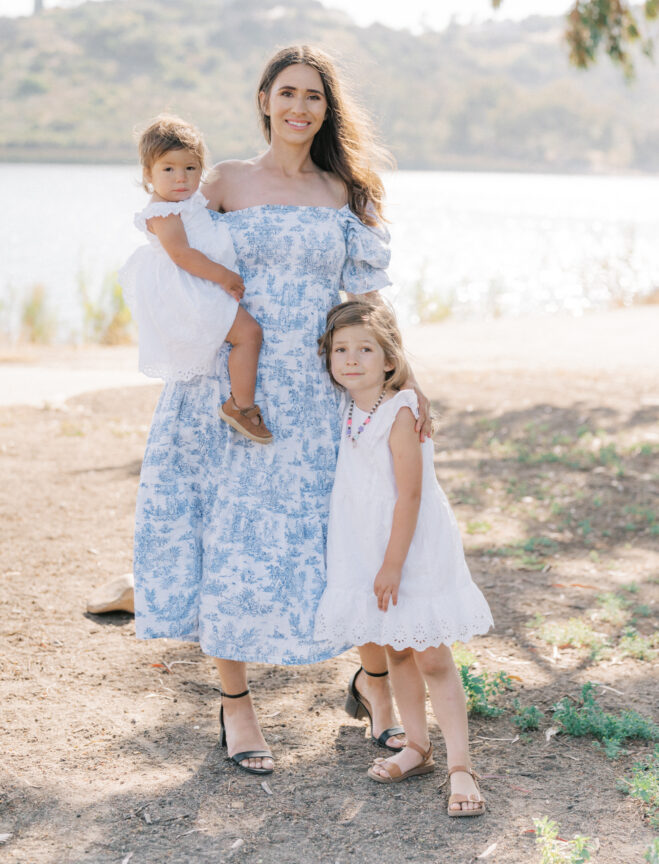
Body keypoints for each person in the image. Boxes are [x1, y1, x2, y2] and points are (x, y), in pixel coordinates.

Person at [132, 45, 432, 776]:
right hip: (230, 389)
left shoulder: (343, 191)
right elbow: (168, 249)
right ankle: (236, 704)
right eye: (287, 92)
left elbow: (366, 301)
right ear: (263, 98)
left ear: (327, 110)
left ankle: (375, 685)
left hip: (320, 391)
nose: (300, 107)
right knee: (229, 540)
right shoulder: (224, 180)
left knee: (342, 538)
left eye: (315, 97)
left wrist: (406, 382)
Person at [314, 299, 494, 815]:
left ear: (389, 359)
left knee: (432, 656)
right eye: (340, 350)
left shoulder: (401, 410)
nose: (351, 359)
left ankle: (461, 766)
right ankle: (416, 745)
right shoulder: (349, 405)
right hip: (366, 546)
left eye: (365, 349)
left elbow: (410, 496)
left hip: (411, 549)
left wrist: (392, 563)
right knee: (395, 650)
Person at [119, 114, 271, 443]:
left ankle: (239, 401)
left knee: (245, 335)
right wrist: (225, 276)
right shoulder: (164, 211)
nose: (181, 178)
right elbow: (182, 255)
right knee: (249, 334)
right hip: (193, 289)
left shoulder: (186, 203)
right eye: (168, 169)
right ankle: (240, 406)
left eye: (190, 168)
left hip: (201, 283)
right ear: (148, 174)